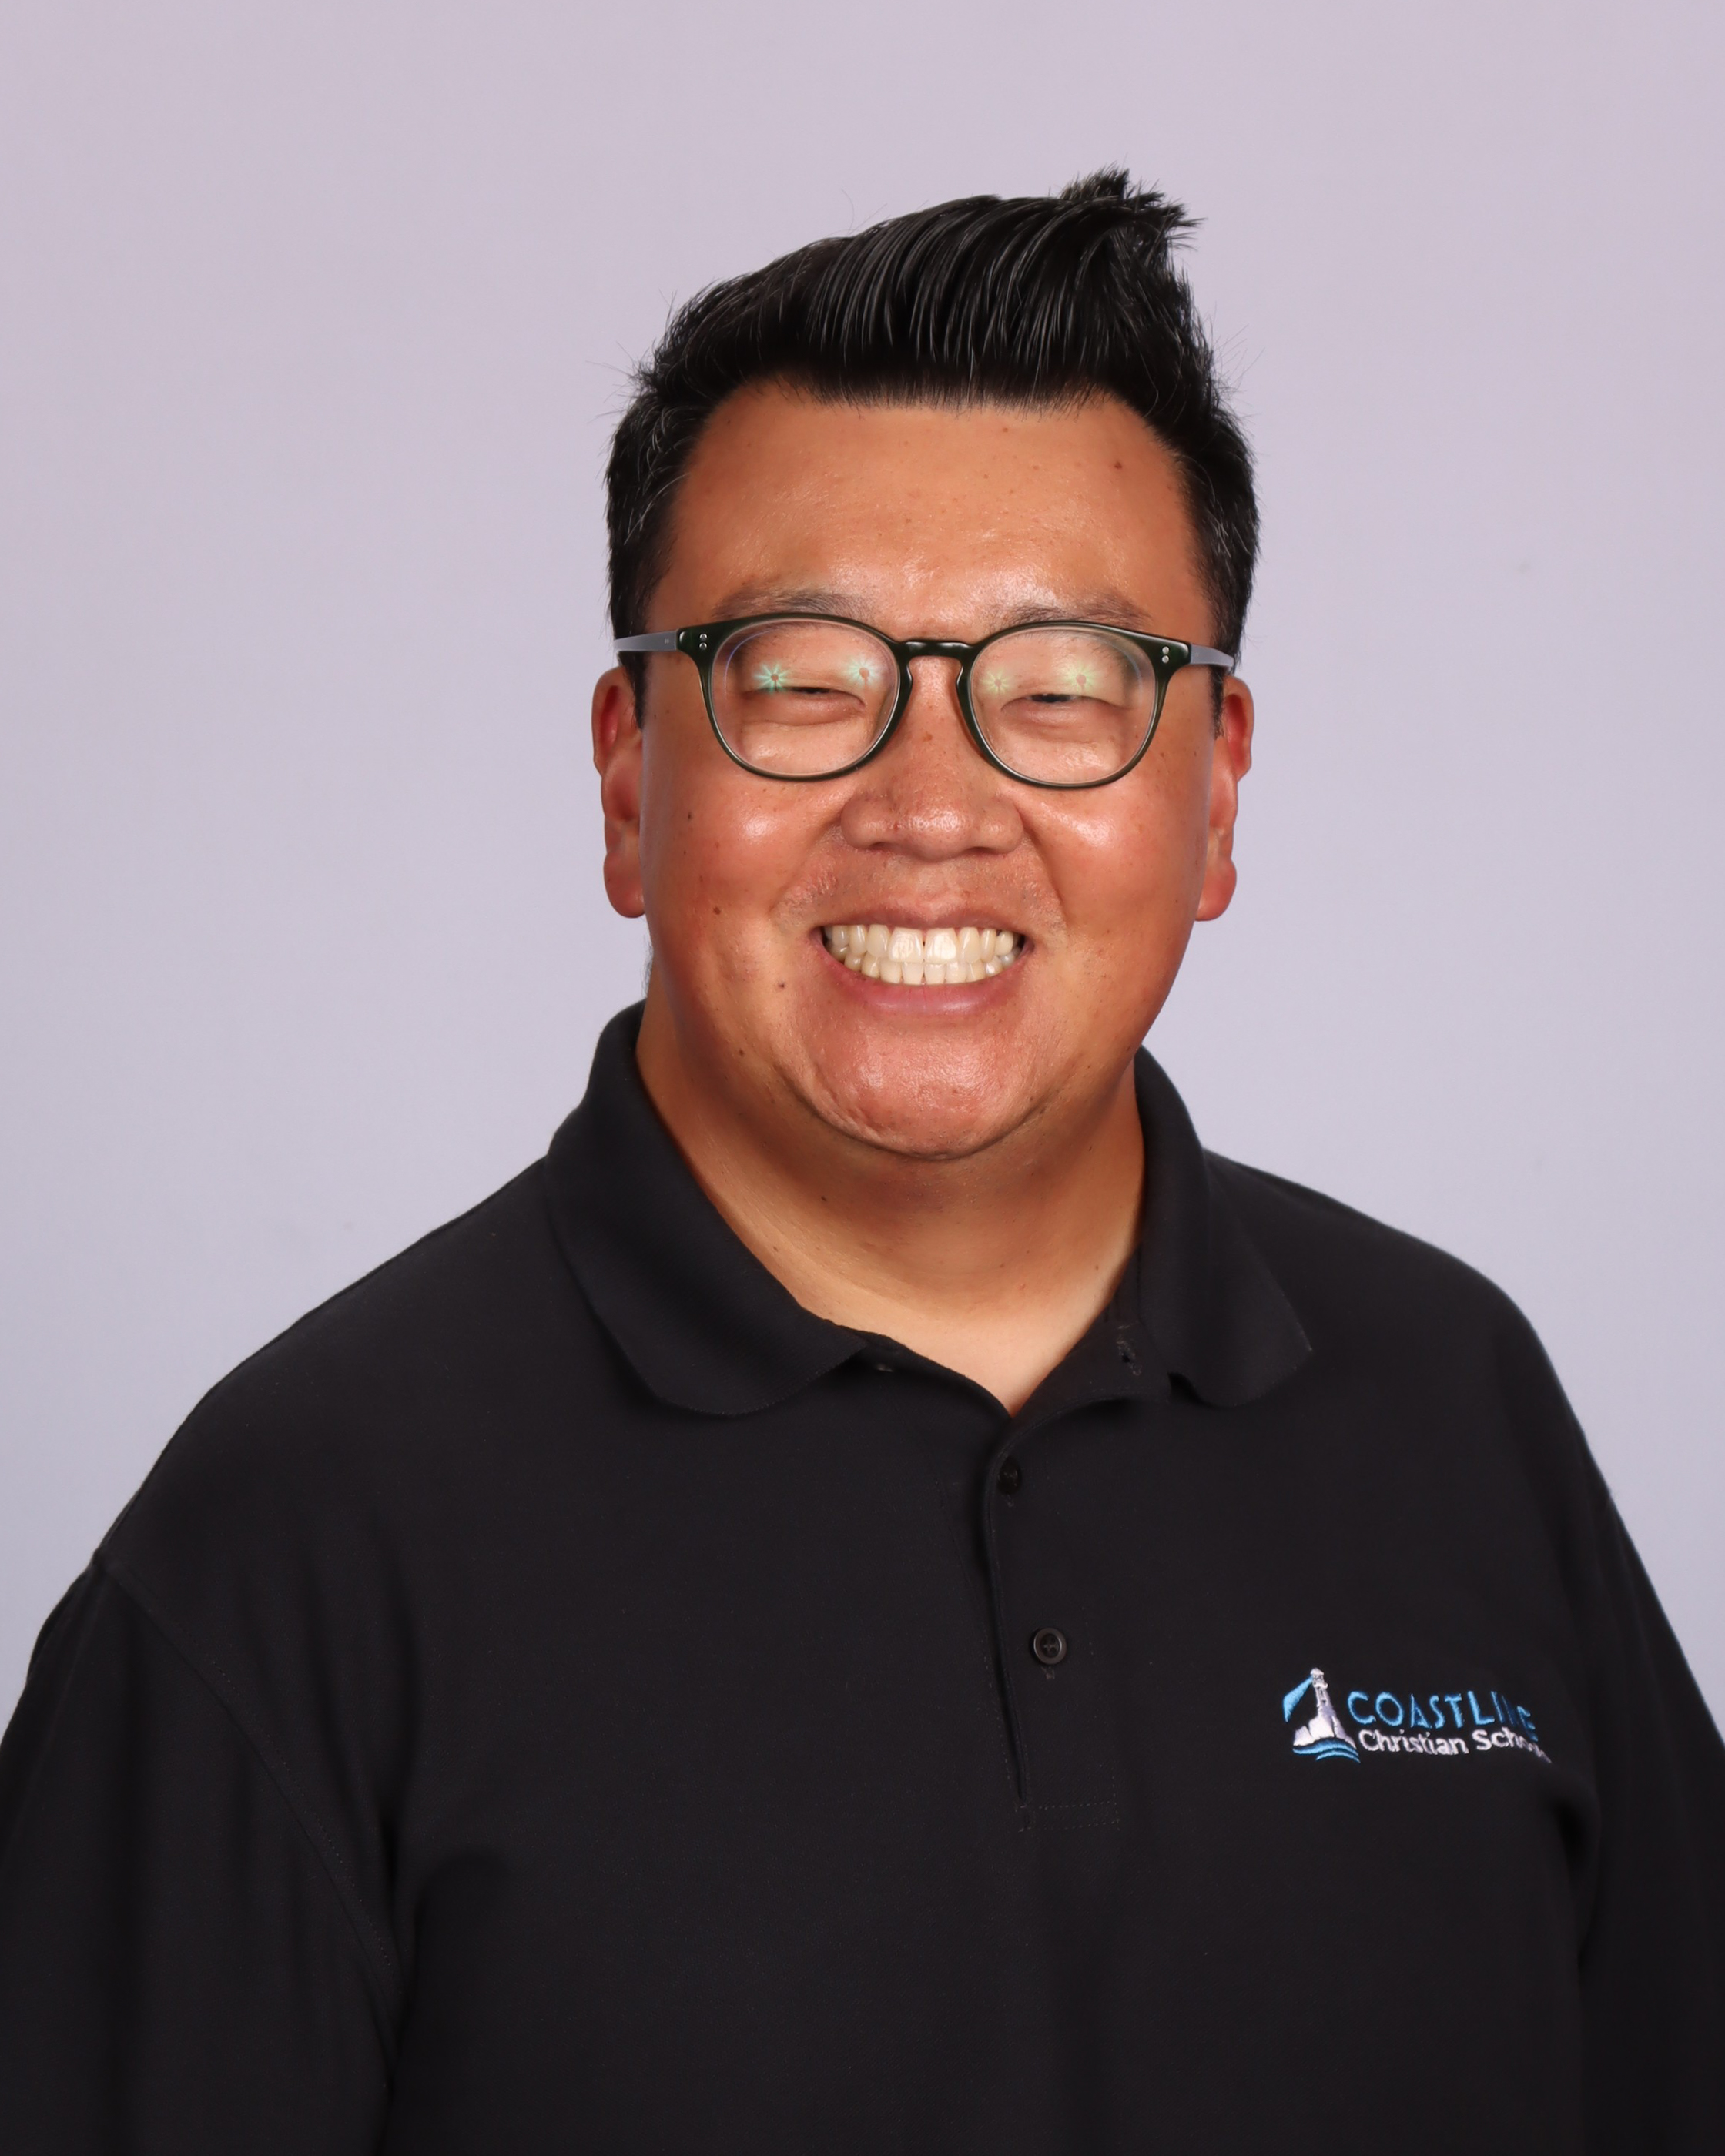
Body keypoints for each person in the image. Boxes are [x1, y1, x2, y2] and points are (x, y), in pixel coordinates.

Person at [1, 170, 1720, 2154]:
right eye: (804, 680)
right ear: (629, 776)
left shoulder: (1454, 1408)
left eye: (1061, 688)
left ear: (1218, 793)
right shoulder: (292, 1542)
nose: (931, 807)